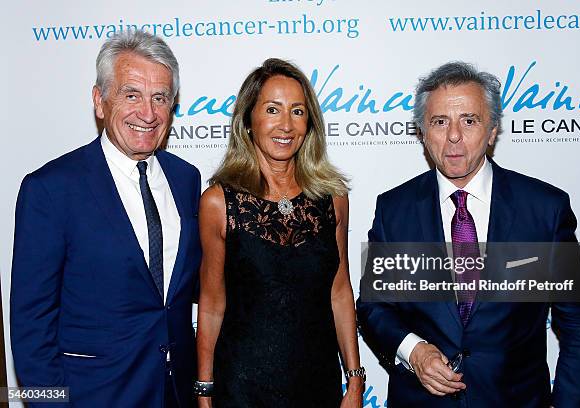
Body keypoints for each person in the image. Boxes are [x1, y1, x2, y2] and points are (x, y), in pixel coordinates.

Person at [356, 62, 580, 407]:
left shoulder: (544, 209)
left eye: (469, 121)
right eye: (440, 122)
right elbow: (373, 307)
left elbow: (579, 329)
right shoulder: (394, 210)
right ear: (423, 133)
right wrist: (413, 350)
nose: (453, 135)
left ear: (492, 131)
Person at [10, 30, 201, 407]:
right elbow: (30, 329)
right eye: (131, 95)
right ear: (100, 101)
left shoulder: (186, 178)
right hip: (92, 397)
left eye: (159, 98)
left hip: (176, 393)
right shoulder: (49, 189)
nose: (147, 113)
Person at [196, 58, 364, 407]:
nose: (286, 124)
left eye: (298, 111)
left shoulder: (333, 198)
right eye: (272, 109)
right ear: (248, 120)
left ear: (310, 123)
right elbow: (211, 305)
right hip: (243, 388)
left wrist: (355, 379)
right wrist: (204, 391)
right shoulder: (218, 203)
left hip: (317, 384)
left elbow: (340, 290)